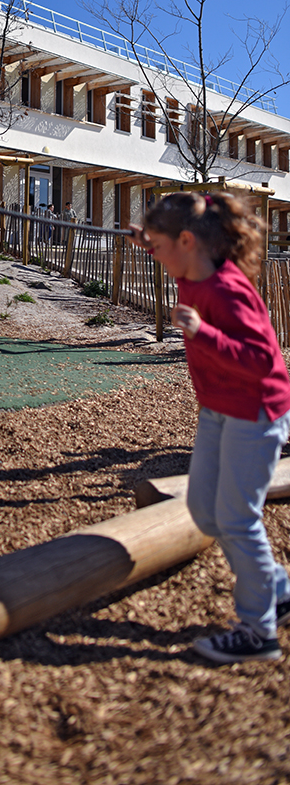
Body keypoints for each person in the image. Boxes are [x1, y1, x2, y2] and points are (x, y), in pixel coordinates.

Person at [129, 191, 290, 664]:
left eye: (158, 247)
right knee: (204, 510)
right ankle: (278, 589)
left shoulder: (226, 290)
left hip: (256, 413)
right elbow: (170, 250)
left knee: (237, 520)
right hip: (218, 409)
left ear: (185, 240)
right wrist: (147, 240)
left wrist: (205, 333)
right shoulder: (189, 267)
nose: (154, 256)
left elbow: (264, 360)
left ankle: (257, 632)